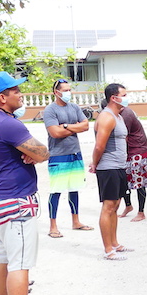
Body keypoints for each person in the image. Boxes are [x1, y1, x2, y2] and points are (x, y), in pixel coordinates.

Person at [0, 72, 59, 295]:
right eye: (15, 91)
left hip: (1, 201)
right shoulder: (9, 124)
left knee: (4, 257)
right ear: (3, 97)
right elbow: (42, 151)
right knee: (20, 263)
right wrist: (34, 153)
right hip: (16, 202)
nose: (21, 94)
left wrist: (30, 153)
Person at [42, 78, 92, 238]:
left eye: (69, 90)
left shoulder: (74, 107)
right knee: (56, 190)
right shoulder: (50, 110)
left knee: (74, 188)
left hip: (75, 153)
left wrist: (64, 126)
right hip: (58, 155)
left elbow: (86, 125)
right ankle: (53, 226)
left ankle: (76, 221)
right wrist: (74, 128)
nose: (68, 93)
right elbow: (54, 133)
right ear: (56, 92)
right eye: (65, 90)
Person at [89, 83, 131, 260]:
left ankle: (114, 242)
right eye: (124, 94)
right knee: (108, 207)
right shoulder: (107, 117)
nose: (127, 97)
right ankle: (108, 249)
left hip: (119, 166)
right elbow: (100, 145)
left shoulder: (118, 116)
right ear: (114, 97)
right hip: (108, 167)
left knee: (115, 205)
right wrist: (94, 163)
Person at [118, 99, 147, 222]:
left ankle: (141, 212)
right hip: (128, 152)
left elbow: (123, 137)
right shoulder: (118, 115)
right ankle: (128, 206)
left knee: (139, 181)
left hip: (138, 151)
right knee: (124, 180)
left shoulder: (125, 114)